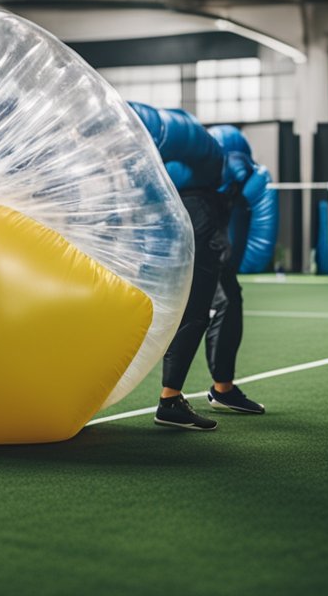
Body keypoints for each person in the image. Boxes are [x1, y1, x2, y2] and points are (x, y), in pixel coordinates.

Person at [127, 106, 261, 431]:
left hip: (197, 215)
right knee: (196, 307)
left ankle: (223, 389)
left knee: (229, 298)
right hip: (197, 215)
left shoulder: (204, 170)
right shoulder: (212, 168)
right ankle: (169, 400)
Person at [202, 125, 272, 418]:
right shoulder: (211, 180)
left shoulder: (228, 187)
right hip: (202, 248)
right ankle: (220, 390)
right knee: (225, 303)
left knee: (224, 302)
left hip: (210, 249)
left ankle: (220, 388)